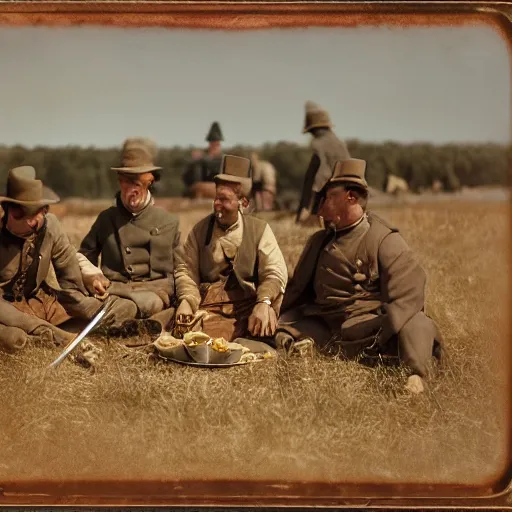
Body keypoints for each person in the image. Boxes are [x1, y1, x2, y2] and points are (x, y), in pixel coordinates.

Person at [277, 158, 443, 394]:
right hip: (330, 326)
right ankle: (300, 347)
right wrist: (269, 309)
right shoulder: (319, 241)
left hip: (374, 329)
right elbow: (296, 289)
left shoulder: (384, 240)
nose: (323, 203)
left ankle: (415, 377)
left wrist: (385, 331)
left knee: (417, 323)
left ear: (351, 198)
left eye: (330, 196)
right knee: (281, 325)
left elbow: (409, 295)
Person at [174, 154, 287, 342]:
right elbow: (186, 271)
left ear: (243, 203)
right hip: (209, 305)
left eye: (224, 200)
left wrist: (264, 301)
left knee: (269, 317)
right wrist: (187, 300)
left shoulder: (259, 230)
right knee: (179, 325)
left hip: (249, 304)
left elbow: (274, 272)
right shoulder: (200, 230)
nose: (217, 205)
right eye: (216, 198)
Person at [77, 137, 180, 334]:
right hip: (114, 290)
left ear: (150, 181)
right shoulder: (106, 219)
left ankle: (139, 322)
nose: (131, 190)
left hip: (154, 292)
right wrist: (92, 278)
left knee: (134, 306)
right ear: (119, 182)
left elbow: (181, 270)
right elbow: (83, 257)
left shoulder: (168, 221)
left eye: (137, 183)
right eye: (126, 182)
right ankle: (134, 325)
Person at [0, 166, 101, 352]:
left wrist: (88, 298)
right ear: (6, 210)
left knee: (93, 310)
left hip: (36, 303)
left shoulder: (51, 227)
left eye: (38, 212)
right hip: (4, 311)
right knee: (14, 339)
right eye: (19, 214)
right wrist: (45, 330)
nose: (31, 222)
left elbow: (70, 279)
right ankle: (42, 340)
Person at [296, 101, 350, 224]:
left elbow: (318, 179)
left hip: (330, 196)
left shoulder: (319, 145)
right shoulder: (341, 144)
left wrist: (307, 209)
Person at [186, 122, 225, 200]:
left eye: (217, 144)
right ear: (210, 144)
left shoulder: (223, 158)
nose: (215, 146)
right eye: (213, 144)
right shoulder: (201, 157)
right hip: (201, 186)